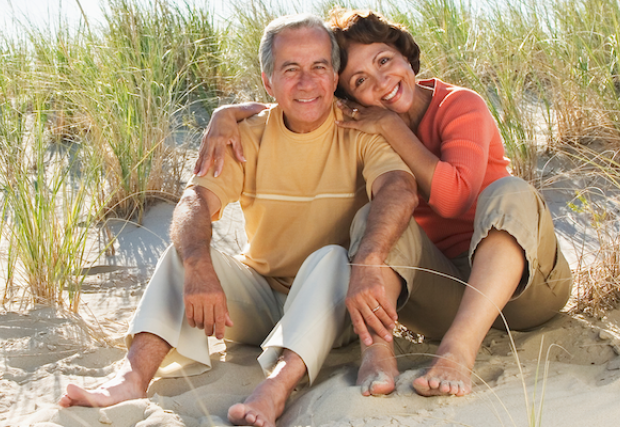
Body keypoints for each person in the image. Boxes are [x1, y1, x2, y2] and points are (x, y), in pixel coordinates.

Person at [58, 13, 419, 427]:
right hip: (260, 299)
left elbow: (398, 189)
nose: (307, 82)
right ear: (268, 81)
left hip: (336, 303)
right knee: (186, 251)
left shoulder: (361, 127)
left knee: (333, 257)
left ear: (335, 73)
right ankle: (131, 377)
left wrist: (370, 259)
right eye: (291, 70)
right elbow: (195, 200)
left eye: (319, 67)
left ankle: (276, 388)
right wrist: (198, 266)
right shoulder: (245, 134)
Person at [194, 8, 573, 399]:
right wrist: (225, 114)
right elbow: (296, 100)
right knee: (374, 217)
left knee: (508, 191)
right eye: (361, 80)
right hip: (443, 296)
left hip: (524, 290)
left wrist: (392, 125)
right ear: (349, 95)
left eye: (384, 61)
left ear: (405, 55)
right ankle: (377, 353)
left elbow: (454, 198)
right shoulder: (361, 126)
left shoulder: (458, 105)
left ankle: (457, 354)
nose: (382, 82)